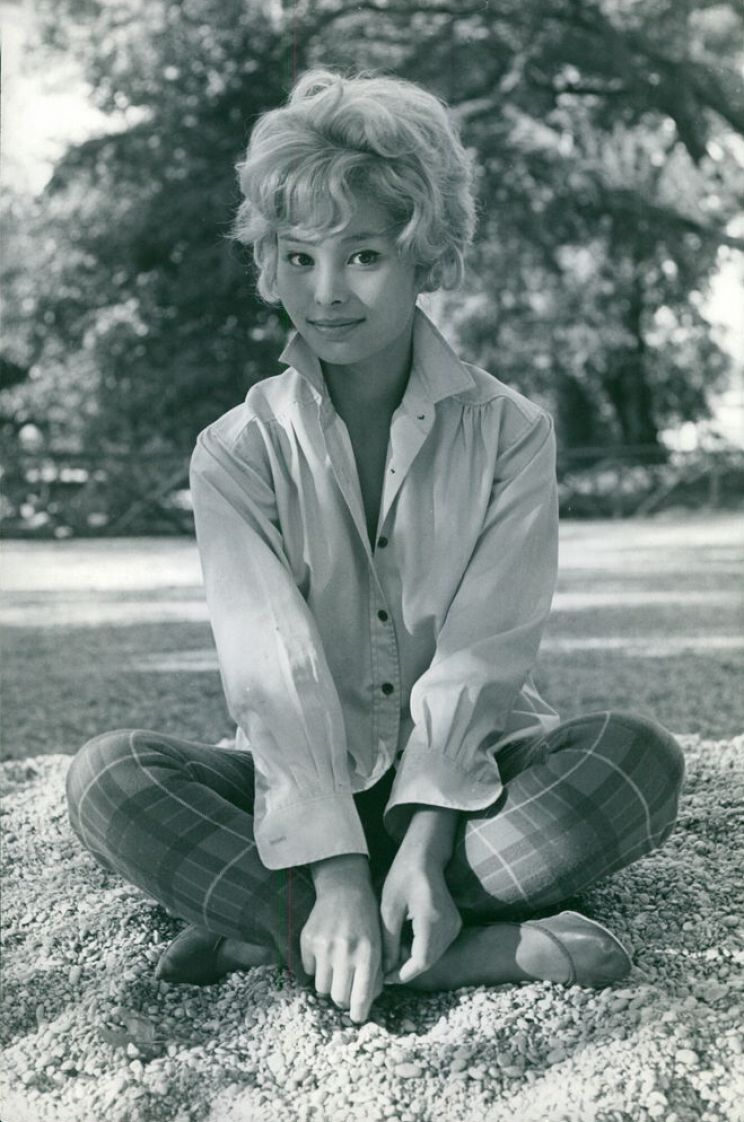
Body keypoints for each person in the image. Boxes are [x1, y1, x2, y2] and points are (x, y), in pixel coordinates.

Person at [66, 69, 685, 1026]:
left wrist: (423, 847)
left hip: (470, 789)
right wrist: (339, 871)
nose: (326, 292)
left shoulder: (511, 432)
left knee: (637, 760)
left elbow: (484, 652)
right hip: (299, 789)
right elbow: (275, 672)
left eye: (362, 254)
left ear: (424, 255)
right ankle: (442, 948)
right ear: (269, 262)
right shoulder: (236, 451)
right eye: (299, 256)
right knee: (108, 777)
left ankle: (278, 928)